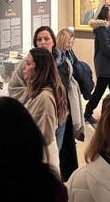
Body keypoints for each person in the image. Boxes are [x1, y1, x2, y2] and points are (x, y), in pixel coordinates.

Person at [9, 26, 85, 181]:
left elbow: (44, 141)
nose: (43, 42)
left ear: (53, 41)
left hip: (60, 116)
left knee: (57, 151)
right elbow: (14, 87)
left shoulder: (61, 67)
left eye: (46, 39)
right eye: (39, 39)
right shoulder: (30, 65)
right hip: (45, 119)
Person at [9, 47, 67, 177]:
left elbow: (43, 137)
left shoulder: (45, 98)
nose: (23, 67)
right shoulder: (34, 92)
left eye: (28, 64)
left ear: (40, 68)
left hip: (41, 166)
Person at [84, 4, 110, 125]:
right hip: (106, 65)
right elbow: (106, 48)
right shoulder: (101, 29)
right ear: (105, 13)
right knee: (101, 90)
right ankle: (88, 112)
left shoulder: (108, 28)